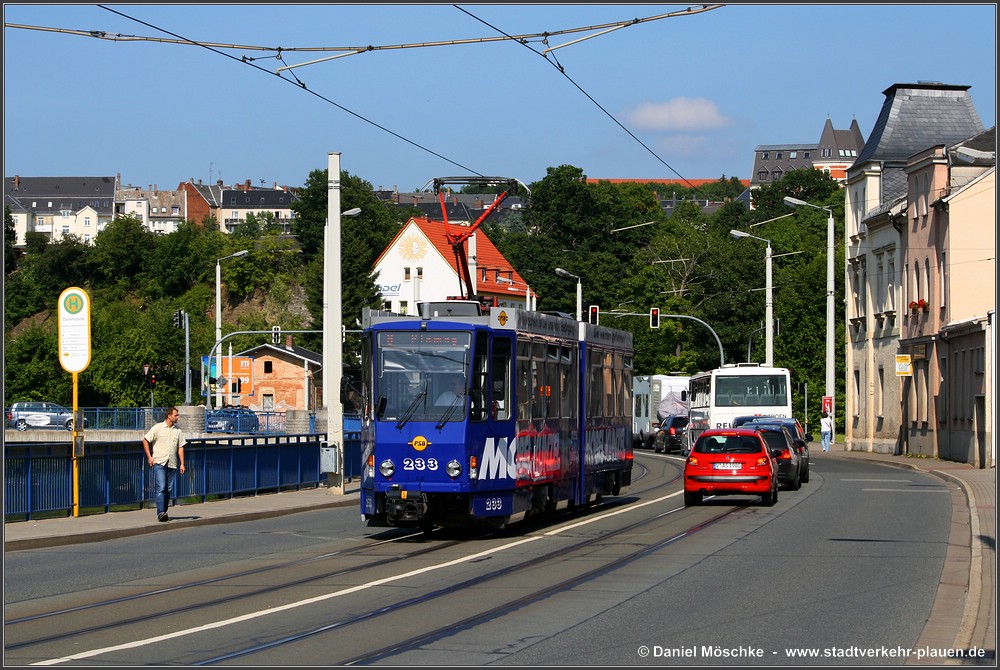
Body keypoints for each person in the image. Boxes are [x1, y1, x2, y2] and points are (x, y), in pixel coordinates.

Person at [143, 406, 186, 522]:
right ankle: (160, 512)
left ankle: (164, 511)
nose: (178, 417)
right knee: (161, 487)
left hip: (172, 463)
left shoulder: (178, 431)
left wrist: (182, 463)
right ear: (169, 416)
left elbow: (180, 447)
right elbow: (146, 440)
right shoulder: (158, 428)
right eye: (176, 415)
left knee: (168, 489)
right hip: (159, 461)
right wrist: (149, 457)